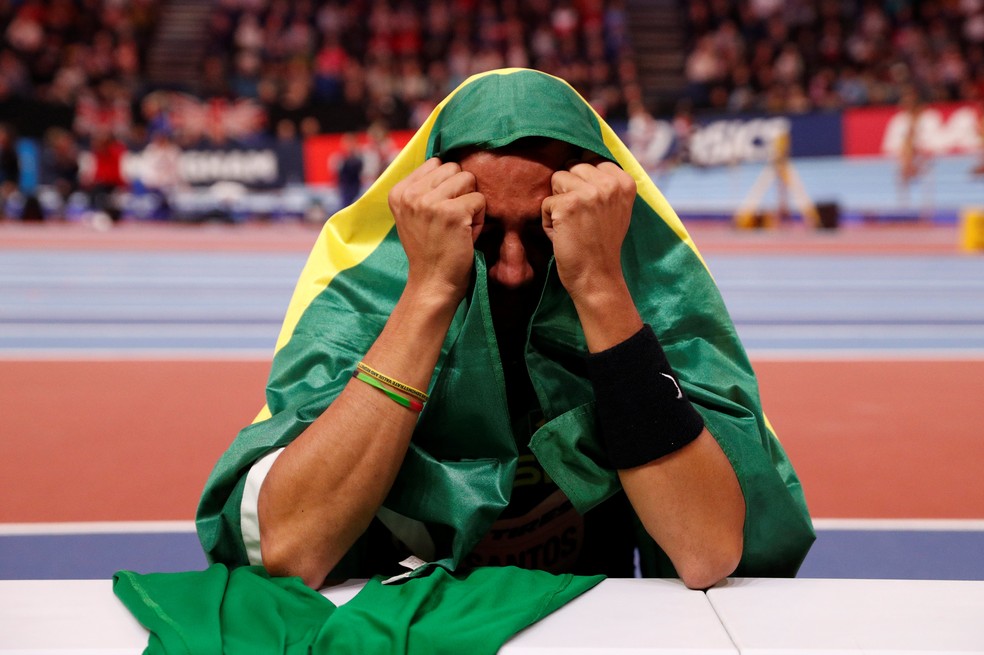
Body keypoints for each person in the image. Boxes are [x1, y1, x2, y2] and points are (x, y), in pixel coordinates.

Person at [197, 68, 814, 592]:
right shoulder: (367, 297)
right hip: (408, 631)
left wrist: (599, 285)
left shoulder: (644, 290)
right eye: (483, 232)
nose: (514, 269)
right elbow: (290, 548)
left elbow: (706, 548)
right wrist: (429, 289)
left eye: (546, 229)